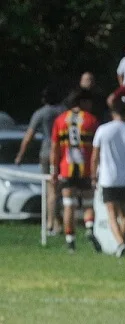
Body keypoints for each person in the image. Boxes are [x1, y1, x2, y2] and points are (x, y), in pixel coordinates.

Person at [91, 96, 125, 258]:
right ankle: (123, 242)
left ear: (113, 113)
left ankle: (120, 243)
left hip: (108, 177)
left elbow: (95, 156)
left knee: (111, 214)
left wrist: (93, 176)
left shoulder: (103, 130)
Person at [50, 91, 100, 252]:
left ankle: (70, 241)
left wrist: (54, 169)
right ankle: (90, 228)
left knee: (68, 205)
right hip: (85, 168)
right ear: (83, 102)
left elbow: (55, 147)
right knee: (88, 204)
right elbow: (96, 147)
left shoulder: (60, 120)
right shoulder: (91, 120)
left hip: (66, 168)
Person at [15, 87, 66, 233]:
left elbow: (29, 135)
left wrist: (20, 155)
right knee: (58, 189)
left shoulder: (41, 113)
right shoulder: (64, 112)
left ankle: (51, 222)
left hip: (47, 151)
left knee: (51, 189)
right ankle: (55, 221)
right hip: (62, 153)